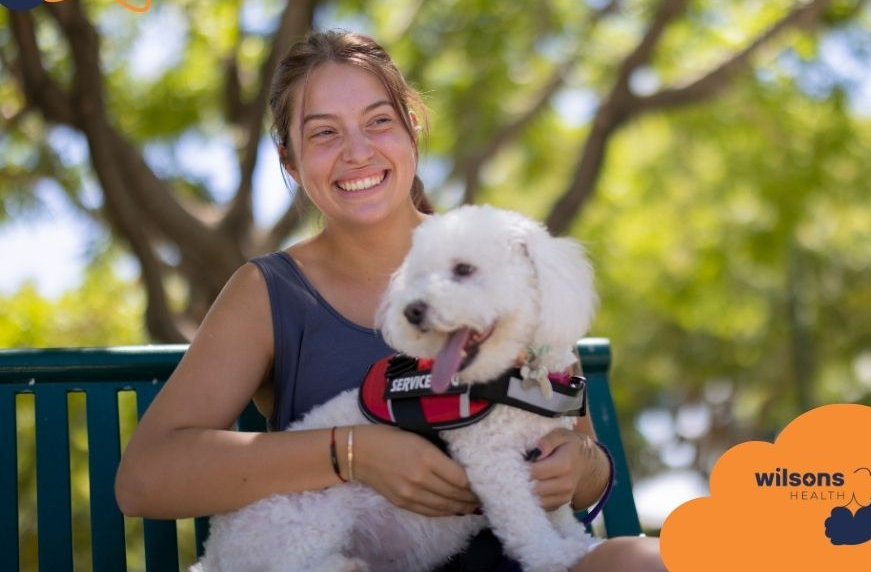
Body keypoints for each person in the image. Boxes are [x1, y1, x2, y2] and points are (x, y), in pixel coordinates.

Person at [115, 29, 666, 572]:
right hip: (342, 556)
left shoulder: (500, 259)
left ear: (413, 131)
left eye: (379, 121)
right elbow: (145, 479)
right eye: (324, 134)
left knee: (656, 559)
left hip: (515, 561)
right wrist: (352, 453)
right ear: (290, 163)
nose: (358, 152)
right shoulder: (270, 292)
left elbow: (586, 458)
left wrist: (580, 466)